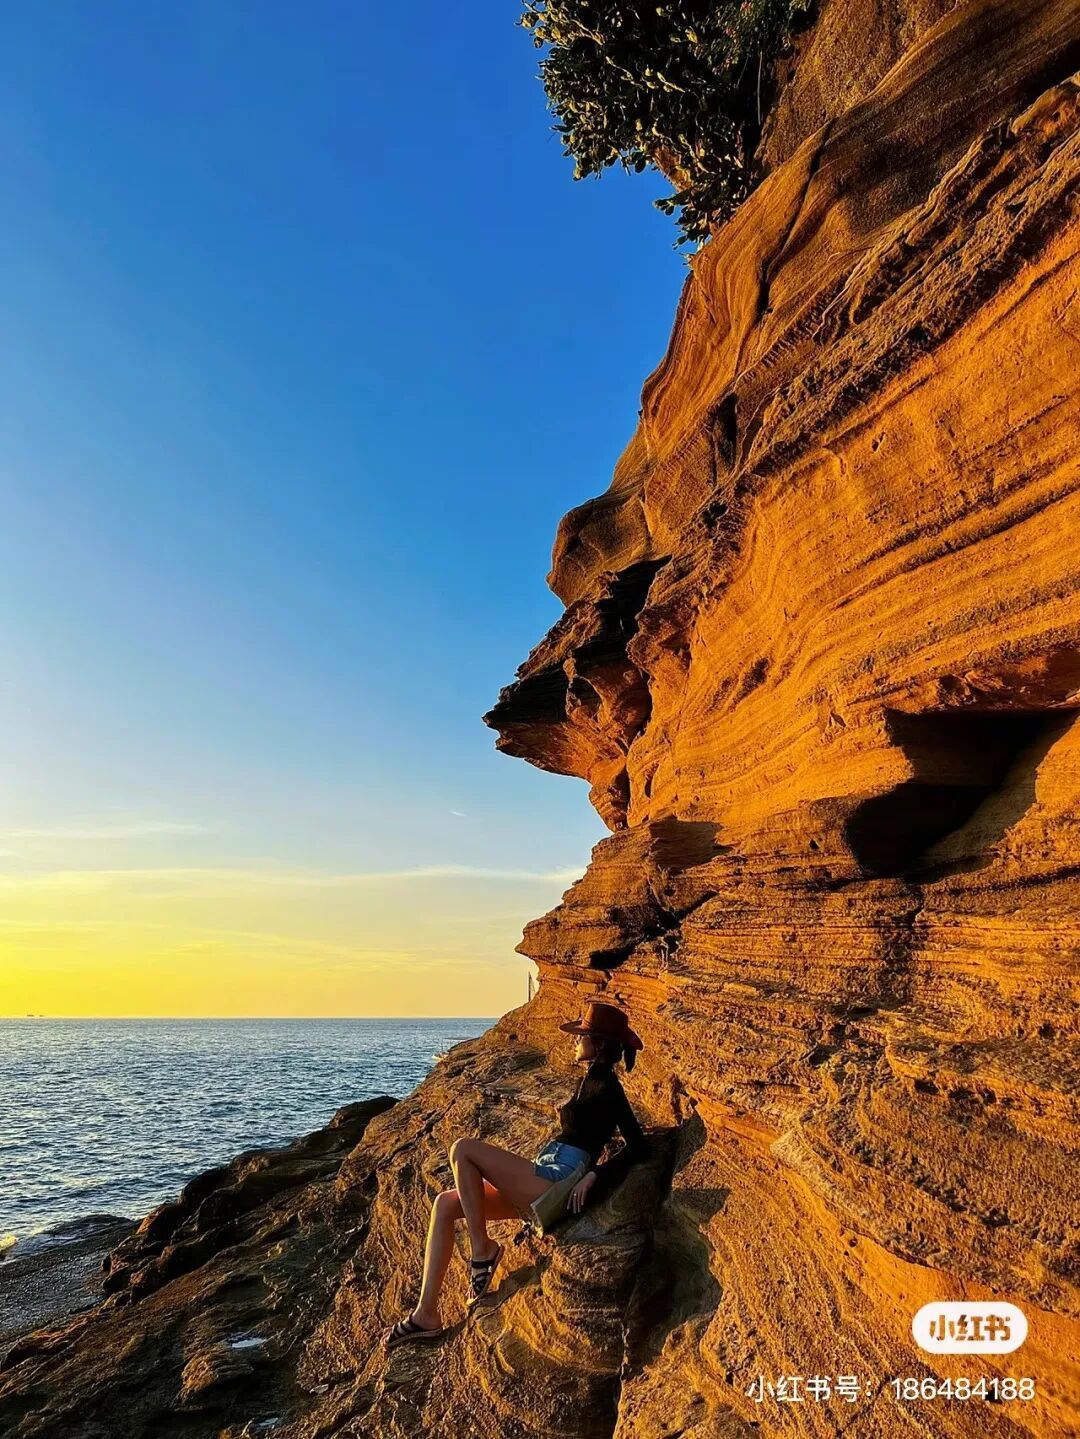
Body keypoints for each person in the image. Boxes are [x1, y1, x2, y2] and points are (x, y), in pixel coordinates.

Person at [383, 1000, 648, 1348]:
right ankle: (426, 1314)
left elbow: (638, 1145)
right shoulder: (590, 1080)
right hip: (545, 1173)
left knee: (463, 1149)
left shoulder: (608, 1086)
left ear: (597, 1044)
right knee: (445, 1204)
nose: (574, 1040)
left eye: (581, 1036)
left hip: (558, 1180)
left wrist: (595, 1174)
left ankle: (482, 1250)